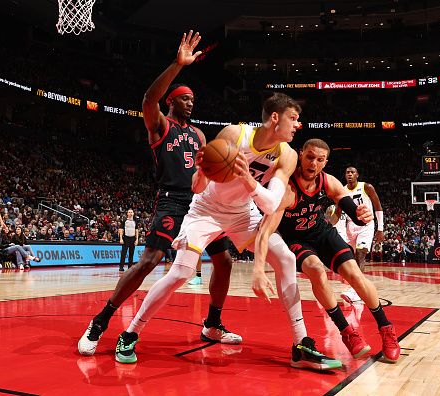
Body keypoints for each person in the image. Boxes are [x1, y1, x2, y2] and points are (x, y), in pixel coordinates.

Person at [113, 91, 343, 371]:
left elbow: (270, 204)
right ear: (274, 118)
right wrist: (200, 172)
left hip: (242, 213)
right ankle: (130, 333)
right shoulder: (235, 134)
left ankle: (301, 344)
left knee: (285, 258)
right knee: (182, 272)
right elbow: (197, 188)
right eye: (293, 118)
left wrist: (247, 178)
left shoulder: (288, 155)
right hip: (205, 210)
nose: (297, 125)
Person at [78, 31, 238, 357]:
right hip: (173, 200)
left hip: (202, 205)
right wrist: (178, 65)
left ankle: (212, 323)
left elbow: (208, 174)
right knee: (149, 260)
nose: (191, 102)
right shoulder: (161, 126)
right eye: (185, 97)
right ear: (172, 101)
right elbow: (148, 99)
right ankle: (100, 320)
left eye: (193, 98)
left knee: (224, 261)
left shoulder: (199, 134)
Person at [252, 139, 401, 363]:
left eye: (320, 159)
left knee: (354, 273)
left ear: (325, 162)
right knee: (315, 269)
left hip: (321, 232)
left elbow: (352, 211)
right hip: (297, 239)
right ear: (300, 155)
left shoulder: (327, 181)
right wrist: (258, 269)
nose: (313, 163)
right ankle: (347, 332)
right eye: (310, 157)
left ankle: (386, 329)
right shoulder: (286, 189)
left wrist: (362, 215)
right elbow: (265, 232)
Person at [333, 167, 385, 304]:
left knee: (360, 255)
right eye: (347, 172)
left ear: (357, 175)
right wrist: (329, 226)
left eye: (352, 172)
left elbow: (378, 206)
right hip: (350, 226)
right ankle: (357, 287)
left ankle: (355, 291)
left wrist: (380, 229)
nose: (349, 174)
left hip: (366, 224)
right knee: (349, 258)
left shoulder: (367, 187)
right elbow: (338, 213)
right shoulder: (342, 190)